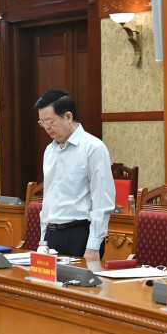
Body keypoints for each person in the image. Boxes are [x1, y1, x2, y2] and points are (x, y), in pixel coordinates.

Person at [35, 89, 115, 261]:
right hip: (51, 236)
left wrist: (93, 246)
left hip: (79, 236)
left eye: (50, 121)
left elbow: (102, 202)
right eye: (42, 123)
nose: (46, 128)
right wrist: (43, 241)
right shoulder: (49, 150)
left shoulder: (93, 148)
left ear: (68, 117)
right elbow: (48, 199)